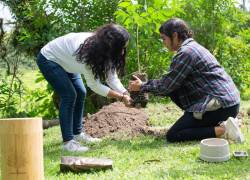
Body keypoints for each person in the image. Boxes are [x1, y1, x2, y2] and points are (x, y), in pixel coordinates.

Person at [128, 18, 244, 143]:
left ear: (175, 35)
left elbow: (166, 86)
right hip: (229, 103)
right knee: (173, 89)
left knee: (174, 134)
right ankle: (220, 123)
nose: (163, 42)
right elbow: (170, 83)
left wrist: (142, 86)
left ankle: (224, 129)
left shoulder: (186, 52)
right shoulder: (193, 47)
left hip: (221, 106)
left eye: (164, 38)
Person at [37, 24, 132, 152]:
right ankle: (68, 143)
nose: (122, 52)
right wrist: (120, 97)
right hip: (50, 58)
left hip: (68, 61)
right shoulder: (88, 52)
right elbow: (94, 85)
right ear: (111, 45)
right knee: (69, 95)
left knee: (80, 92)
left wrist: (125, 92)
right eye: (121, 48)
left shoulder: (104, 50)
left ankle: (77, 134)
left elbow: (111, 78)